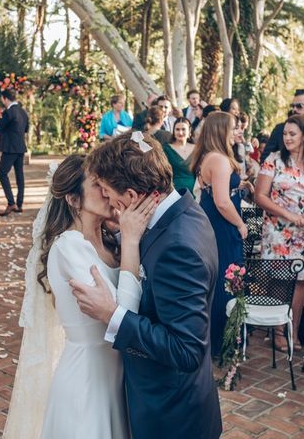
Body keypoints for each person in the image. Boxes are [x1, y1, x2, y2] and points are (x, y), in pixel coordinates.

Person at [69, 133, 222, 439]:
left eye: (108, 192)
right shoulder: (186, 210)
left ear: (130, 195)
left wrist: (112, 314)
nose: (108, 200)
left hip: (171, 417)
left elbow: (186, 349)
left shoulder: (177, 247)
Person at [10, 155, 154, 438]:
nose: (106, 190)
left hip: (116, 377)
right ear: (73, 200)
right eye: (96, 184)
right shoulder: (68, 247)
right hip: (86, 381)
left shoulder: (110, 240)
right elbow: (123, 313)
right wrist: (131, 239)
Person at [255, 114, 304, 352]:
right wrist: (288, 216)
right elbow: (260, 196)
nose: (287, 138)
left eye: (292, 134)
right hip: (278, 230)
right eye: (285, 134)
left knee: (300, 282)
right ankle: (278, 330)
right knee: (279, 280)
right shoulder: (274, 160)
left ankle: (293, 331)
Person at [190, 112, 246, 354]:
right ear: (221, 131)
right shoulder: (220, 160)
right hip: (222, 222)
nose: (237, 132)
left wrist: (239, 186)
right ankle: (224, 341)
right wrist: (241, 225)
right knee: (227, 276)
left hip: (210, 218)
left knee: (219, 276)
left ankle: (217, 339)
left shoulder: (207, 156)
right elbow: (222, 202)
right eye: (233, 128)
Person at [0, 89, 29, 216]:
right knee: (19, 176)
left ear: (5, 98)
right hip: (21, 147)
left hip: (10, 148)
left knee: (2, 174)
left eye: (2, 99)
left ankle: (11, 203)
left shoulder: (8, 112)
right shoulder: (23, 112)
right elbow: (26, 129)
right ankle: (19, 204)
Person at [163, 117, 195, 194]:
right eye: (177, 129)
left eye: (183, 129)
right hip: (175, 191)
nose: (180, 132)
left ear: (189, 131)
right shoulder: (166, 149)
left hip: (196, 191)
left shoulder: (197, 148)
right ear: (173, 131)